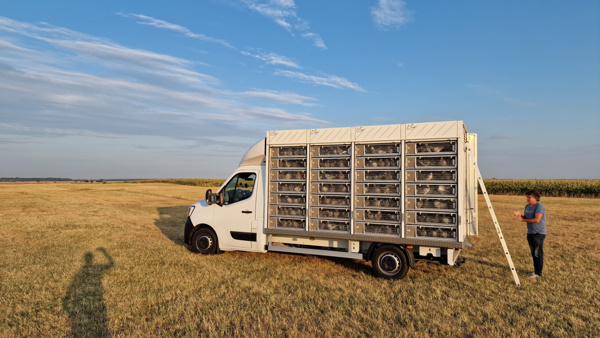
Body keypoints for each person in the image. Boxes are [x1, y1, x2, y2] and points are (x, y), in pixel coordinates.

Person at [512, 190, 546, 278]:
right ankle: (536, 271)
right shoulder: (527, 206)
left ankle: (538, 273)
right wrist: (519, 215)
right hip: (530, 233)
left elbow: (537, 220)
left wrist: (522, 220)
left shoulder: (539, 207)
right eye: (526, 197)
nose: (527, 199)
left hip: (538, 233)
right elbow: (526, 217)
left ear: (535, 198)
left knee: (537, 253)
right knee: (533, 253)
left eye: (529, 197)